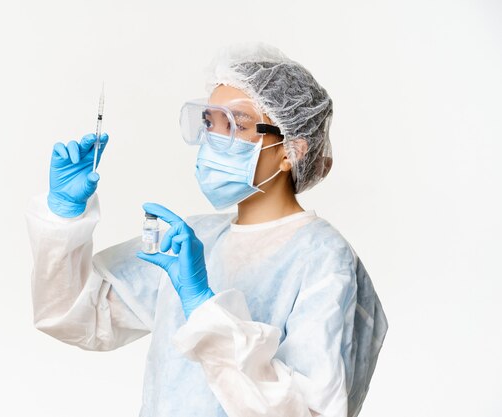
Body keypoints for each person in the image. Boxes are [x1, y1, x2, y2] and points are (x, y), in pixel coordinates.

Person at [26, 42, 388, 417]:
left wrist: (204, 309)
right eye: (209, 123)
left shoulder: (323, 258)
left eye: (236, 125)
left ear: (289, 151)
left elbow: (309, 410)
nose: (213, 140)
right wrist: (63, 217)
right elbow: (77, 316)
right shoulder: (196, 240)